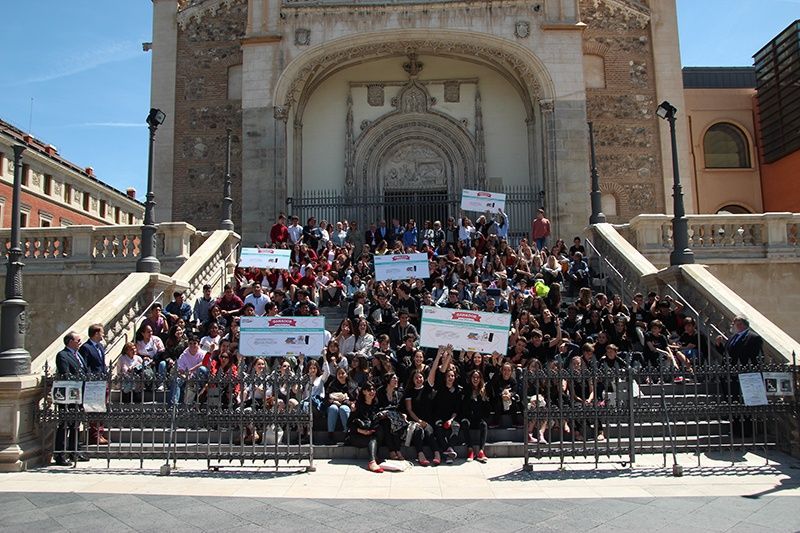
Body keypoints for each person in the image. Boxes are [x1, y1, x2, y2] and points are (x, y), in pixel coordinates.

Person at [54, 331, 87, 466]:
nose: (80, 342)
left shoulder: (78, 354)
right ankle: (60, 454)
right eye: (78, 340)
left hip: (80, 395)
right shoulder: (62, 355)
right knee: (65, 425)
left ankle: (75, 451)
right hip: (68, 395)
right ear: (70, 342)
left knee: (76, 425)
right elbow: (65, 373)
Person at [79, 323, 109, 445]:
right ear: (96, 333)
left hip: (102, 381)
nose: (104, 334)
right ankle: (94, 434)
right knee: (94, 409)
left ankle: (100, 432)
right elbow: (85, 365)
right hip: (93, 383)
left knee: (101, 408)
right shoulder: (86, 347)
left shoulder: (100, 346)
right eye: (102, 332)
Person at [347, 381, 386, 473]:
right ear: (364, 391)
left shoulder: (376, 405)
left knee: (379, 430)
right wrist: (361, 431)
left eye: (373, 389)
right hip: (357, 435)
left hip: (371, 433)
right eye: (369, 390)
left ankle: (375, 457)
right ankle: (372, 461)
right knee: (372, 440)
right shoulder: (357, 406)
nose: (372, 391)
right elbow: (349, 424)